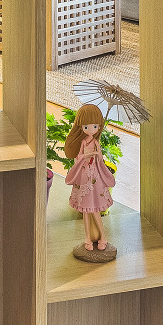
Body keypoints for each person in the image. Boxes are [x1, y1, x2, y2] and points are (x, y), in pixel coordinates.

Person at [64, 102, 116, 261]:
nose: (91, 130)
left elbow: (100, 158)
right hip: (84, 176)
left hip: (94, 177)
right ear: (81, 127)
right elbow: (79, 156)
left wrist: (96, 155)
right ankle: (88, 238)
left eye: (94, 126)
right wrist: (86, 156)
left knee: (95, 210)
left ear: (99, 126)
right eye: (86, 127)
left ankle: (103, 237)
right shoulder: (83, 142)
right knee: (86, 211)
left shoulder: (96, 143)